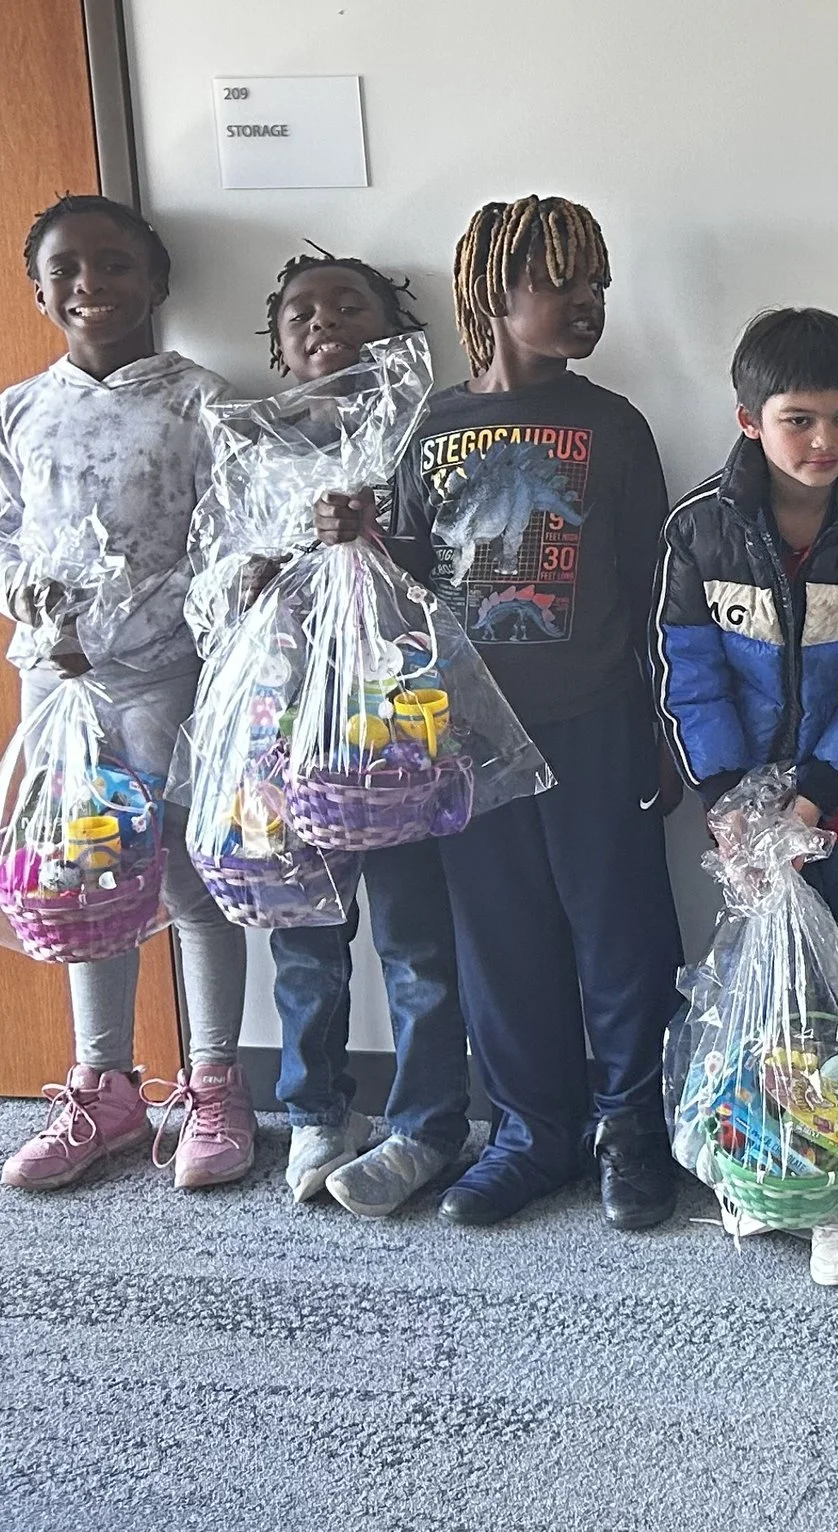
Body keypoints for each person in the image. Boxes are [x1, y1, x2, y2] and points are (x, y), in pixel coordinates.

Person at [316, 196, 682, 1232]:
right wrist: (359, 533)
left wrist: (665, 730)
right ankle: (532, 1132)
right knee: (499, 944)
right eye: (559, 282)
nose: (586, 301)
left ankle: (632, 1129)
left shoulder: (614, 425)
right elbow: (408, 585)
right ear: (490, 291)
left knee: (621, 938)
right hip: (467, 740)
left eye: (596, 283)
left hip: (596, 723)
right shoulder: (428, 427)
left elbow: (656, 584)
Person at [655, 306, 838, 1285]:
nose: (825, 442)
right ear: (749, 420)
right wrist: (734, 801)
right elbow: (685, 675)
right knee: (766, 993)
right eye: (799, 420)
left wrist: (812, 798)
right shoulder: (698, 530)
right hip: (744, 814)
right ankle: (769, 1161)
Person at [210, 250, 474, 1219]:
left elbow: (458, 575)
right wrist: (250, 579)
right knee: (306, 945)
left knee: (416, 943)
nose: (323, 321)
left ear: (396, 337)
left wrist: (375, 540)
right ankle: (316, 1112)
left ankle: (429, 1124)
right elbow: (215, 582)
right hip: (285, 747)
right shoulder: (253, 453)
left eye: (349, 307)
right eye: (301, 314)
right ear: (279, 350)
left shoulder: (424, 441)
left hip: (394, 747)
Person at [0, 196, 251, 1194]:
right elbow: (5, 532)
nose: (90, 285)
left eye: (113, 264)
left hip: (166, 675)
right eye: (65, 270)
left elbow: (233, 537)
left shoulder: (203, 402)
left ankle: (217, 1082)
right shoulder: (19, 410)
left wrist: (168, 606)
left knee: (188, 873)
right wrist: (29, 596)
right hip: (56, 680)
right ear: (37, 292)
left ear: (157, 282)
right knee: (79, 873)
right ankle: (102, 1088)